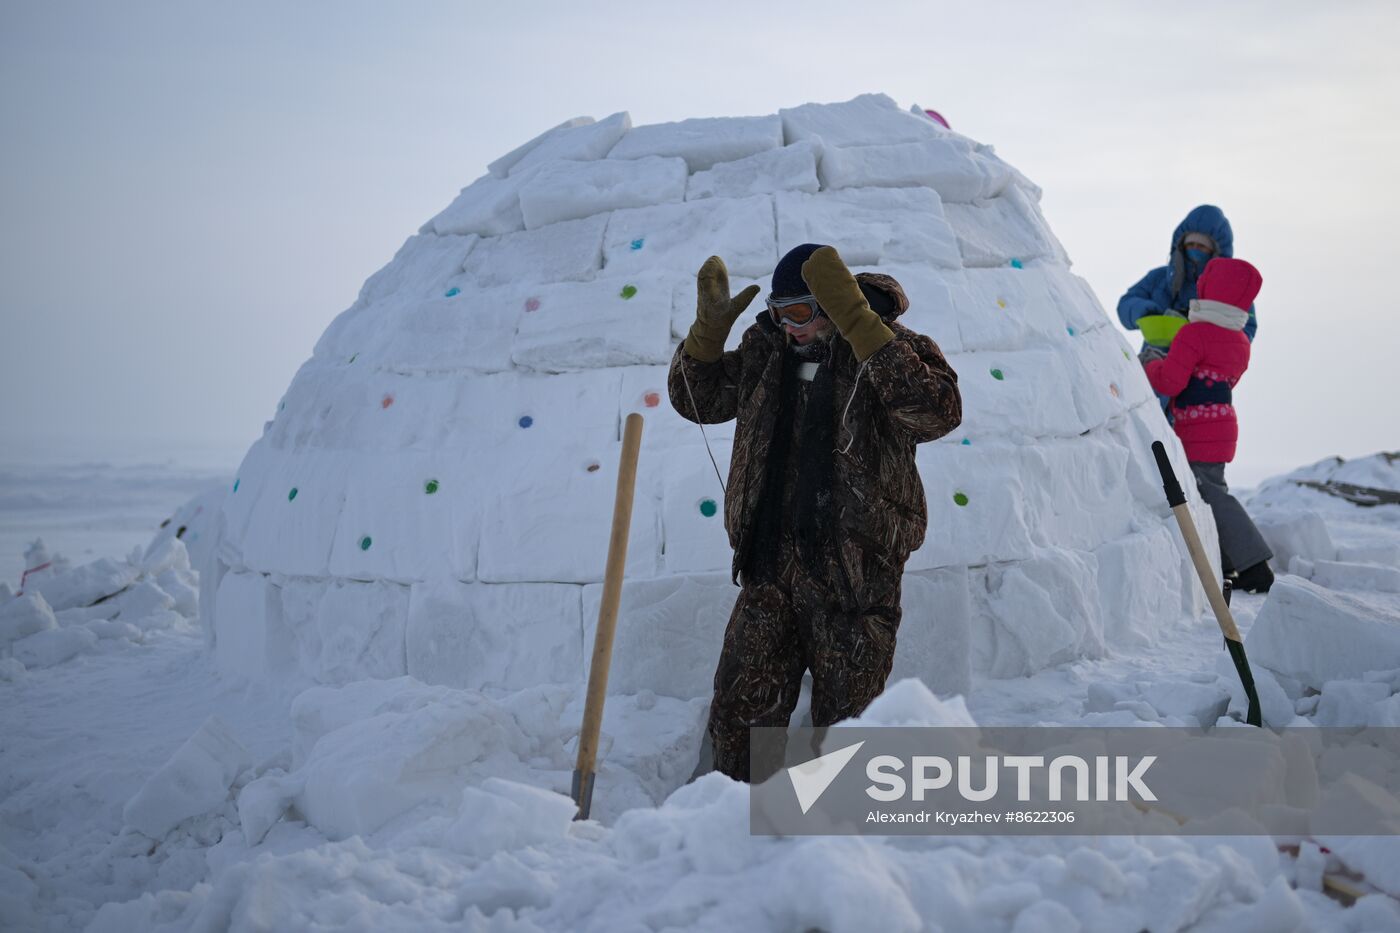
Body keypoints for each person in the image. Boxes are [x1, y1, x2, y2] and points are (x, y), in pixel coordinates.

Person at [668, 243, 962, 782]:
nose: (788, 328)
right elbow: (697, 400)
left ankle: (837, 842)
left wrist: (862, 326)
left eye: (800, 313)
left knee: (847, 731)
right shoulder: (766, 350)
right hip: (769, 567)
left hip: (855, 573)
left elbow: (936, 414)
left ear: (832, 305)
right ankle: (732, 825)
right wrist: (707, 336)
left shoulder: (892, 349)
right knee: (740, 716)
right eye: (778, 314)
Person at [1140, 256, 1274, 593]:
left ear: (1207, 291)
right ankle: (1228, 563)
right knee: (1209, 492)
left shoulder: (1193, 334)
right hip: (1222, 429)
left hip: (1196, 432)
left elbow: (1170, 383)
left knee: (1212, 494)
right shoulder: (1240, 341)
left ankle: (1255, 565)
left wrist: (1150, 366)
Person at [1119, 205, 1258, 344]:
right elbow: (1126, 303)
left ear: (1214, 252)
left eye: (1202, 246)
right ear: (1181, 246)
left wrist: (1208, 334)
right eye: (1190, 244)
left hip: (1203, 363)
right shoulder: (1159, 278)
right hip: (1153, 360)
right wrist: (1146, 312)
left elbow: (1246, 331)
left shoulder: (1233, 290)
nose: (1195, 249)